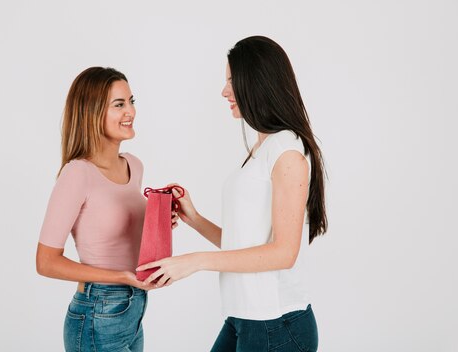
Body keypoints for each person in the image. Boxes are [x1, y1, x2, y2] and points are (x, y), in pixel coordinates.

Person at [137, 36, 327, 351]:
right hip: (245, 319)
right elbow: (244, 245)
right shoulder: (263, 146)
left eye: (231, 81)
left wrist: (195, 262)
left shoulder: (287, 151)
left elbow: (284, 252)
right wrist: (193, 218)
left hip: (276, 325)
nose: (224, 91)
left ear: (257, 82)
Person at [36, 67, 176, 351]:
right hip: (98, 311)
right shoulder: (78, 173)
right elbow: (46, 261)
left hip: (133, 308)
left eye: (131, 101)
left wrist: (157, 222)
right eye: (119, 104)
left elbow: (116, 231)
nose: (131, 112)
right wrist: (120, 278)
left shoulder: (133, 166)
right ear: (92, 112)